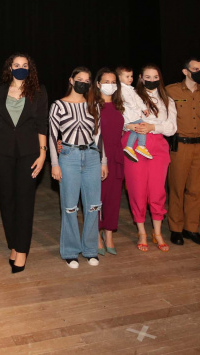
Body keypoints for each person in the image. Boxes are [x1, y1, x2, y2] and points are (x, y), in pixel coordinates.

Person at [0, 53, 49, 273]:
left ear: (30, 68)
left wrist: (43, 154)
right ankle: (13, 244)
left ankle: (22, 250)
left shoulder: (39, 91)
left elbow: (42, 124)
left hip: (29, 153)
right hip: (1, 152)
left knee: (24, 201)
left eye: (25, 65)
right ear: (10, 68)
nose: (21, 68)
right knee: (6, 201)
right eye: (17, 65)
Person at [49, 67, 108, 268]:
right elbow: (52, 136)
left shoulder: (93, 105)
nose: (83, 82)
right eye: (79, 78)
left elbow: (99, 135)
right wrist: (54, 164)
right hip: (69, 157)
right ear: (71, 80)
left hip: (92, 157)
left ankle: (90, 250)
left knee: (93, 206)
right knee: (70, 207)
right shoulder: (58, 106)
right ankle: (70, 251)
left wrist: (103, 161)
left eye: (87, 80)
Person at [123, 64, 177, 252]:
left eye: (155, 77)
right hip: (134, 144)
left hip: (158, 147)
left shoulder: (168, 100)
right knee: (137, 190)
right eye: (148, 77)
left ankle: (158, 232)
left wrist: (153, 127)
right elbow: (122, 120)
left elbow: (172, 128)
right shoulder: (131, 96)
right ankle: (141, 232)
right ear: (140, 77)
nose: (152, 80)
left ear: (160, 78)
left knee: (157, 191)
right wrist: (131, 126)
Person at [165, 57, 200, 247]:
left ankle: (191, 228)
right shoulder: (170, 90)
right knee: (177, 189)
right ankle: (176, 229)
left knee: (196, 190)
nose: (199, 72)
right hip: (180, 146)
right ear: (185, 71)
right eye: (195, 69)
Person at [92, 68, 125, 256]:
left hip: (117, 157)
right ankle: (96, 235)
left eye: (113, 82)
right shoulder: (92, 106)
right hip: (98, 157)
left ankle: (109, 234)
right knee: (98, 198)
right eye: (106, 82)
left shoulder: (120, 106)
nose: (110, 85)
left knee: (113, 198)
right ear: (98, 84)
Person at [119, 69, 152, 162]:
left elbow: (138, 99)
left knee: (135, 130)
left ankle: (129, 147)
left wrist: (144, 108)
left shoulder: (130, 88)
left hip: (132, 115)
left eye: (131, 76)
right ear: (119, 77)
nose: (130, 78)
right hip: (130, 116)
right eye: (127, 76)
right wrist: (139, 112)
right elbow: (131, 103)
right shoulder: (122, 89)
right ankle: (141, 145)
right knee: (142, 126)